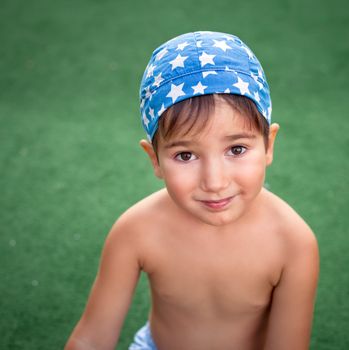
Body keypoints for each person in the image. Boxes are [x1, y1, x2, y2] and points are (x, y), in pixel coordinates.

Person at [65, 31, 319, 350]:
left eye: (237, 149)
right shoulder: (136, 230)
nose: (214, 182)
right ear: (154, 159)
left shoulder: (293, 242)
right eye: (186, 155)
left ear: (269, 144)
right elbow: (91, 339)